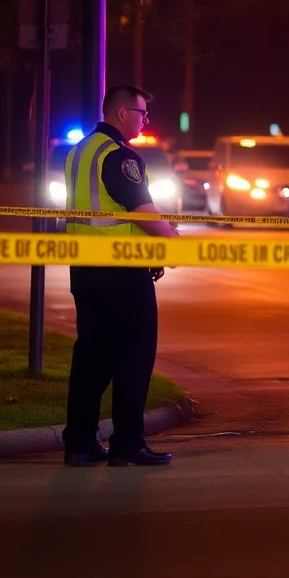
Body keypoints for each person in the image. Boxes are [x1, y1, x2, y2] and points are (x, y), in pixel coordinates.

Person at [62, 84, 181, 467]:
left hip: (85, 271)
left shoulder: (79, 152)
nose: (146, 119)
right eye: (142, 113)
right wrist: (172, 240)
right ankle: (128, 443)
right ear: (121, 113)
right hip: (123, 274)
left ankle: (79, 443)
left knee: (91, 359)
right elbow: (144, 214)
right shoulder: (119, 157)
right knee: (133, 356)